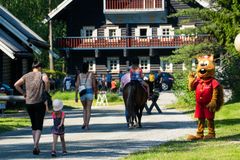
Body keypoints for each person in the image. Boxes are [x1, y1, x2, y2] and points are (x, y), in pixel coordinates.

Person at [14, 60, 49, 155]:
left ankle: (36, 146)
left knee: (34, 125)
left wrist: (24, 93)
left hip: (29, 103)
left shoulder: (26, 75)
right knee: (39, 125)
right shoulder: (42, 74)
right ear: (39, 67)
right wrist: (46, 90)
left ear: (33, 67)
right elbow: (46, 81)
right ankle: (35, 145)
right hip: (39, 102)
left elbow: (16, 85)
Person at [75, 62, 97, 130]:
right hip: (89, 92)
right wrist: (96, 93)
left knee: (84, 108)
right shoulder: (91, 74)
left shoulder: (79, 75)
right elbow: (94, 85)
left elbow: (77, 86)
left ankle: (84, 122)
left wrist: (75, 96)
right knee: (88, 109)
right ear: (87, 67)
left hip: (82, 93)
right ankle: (87, 124)